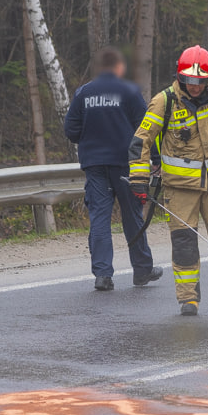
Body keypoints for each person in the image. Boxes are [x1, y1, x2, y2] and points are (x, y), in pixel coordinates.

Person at [128, 45, 208, 316]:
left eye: (200, 81)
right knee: (185, 244)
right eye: (189, 80)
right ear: (179, 75)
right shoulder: (165, 101)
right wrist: (138, 178)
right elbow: (141, 141)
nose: (194, 86)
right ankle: (189, 300)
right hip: (180, 188)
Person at [64, 46, 163, 291]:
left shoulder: (83, 93)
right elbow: (145, 129)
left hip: (95, 165)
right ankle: (142, 270)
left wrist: (90, 138)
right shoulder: (129, 91)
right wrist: (155, 158)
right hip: (126, 165)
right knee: (132, 216)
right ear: (119, 67)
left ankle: (102, 275)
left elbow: (71, 131)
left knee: (99, 217)